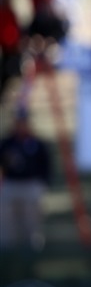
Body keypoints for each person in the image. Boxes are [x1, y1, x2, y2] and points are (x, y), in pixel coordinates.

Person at [0, 107, 53, 250]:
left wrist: (43, 185)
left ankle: (32, 253)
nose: (21, 124)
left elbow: (46, 166)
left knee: (32, 225)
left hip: (31, 185)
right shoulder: (7, 143)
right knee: (7, 225)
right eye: (18, 121)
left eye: (23, 121)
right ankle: (7, 254)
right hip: (10, 185)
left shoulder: (38, 143)